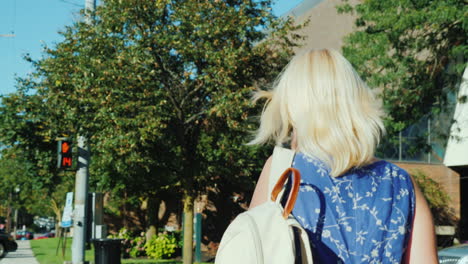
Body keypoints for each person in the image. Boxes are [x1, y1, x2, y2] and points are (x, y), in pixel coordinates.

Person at [248, 49, 438, 264]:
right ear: (355, 102)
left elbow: (252, 249)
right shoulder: (400, 183)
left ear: (292, 107)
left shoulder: (283, 171)